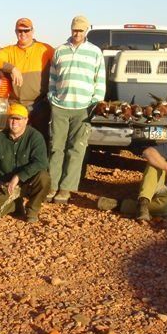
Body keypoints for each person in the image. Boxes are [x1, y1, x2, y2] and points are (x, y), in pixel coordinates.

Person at [46, 15, 106, 203]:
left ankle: (66, 188)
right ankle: (51, 186)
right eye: (74, 30)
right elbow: (53, 77)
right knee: (56, 147)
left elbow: (100, 79)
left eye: (80, 30)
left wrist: (96, 100)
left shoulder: (95, 52)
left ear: (86, 31)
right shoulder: (60, 51)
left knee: (76, 149)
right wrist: (52, 96)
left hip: (83, 108)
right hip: (60, 106)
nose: (77, 33)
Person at [0, 103, 51, 229]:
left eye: (18, 119)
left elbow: (41, 162)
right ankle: (14, 205)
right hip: (6, 183)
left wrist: (18, 177)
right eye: (12, 118)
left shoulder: (35, 137)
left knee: (44, 178)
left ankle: (32, 210)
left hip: (29, 181)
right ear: (7, 120)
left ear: (26, 120)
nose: (14, 122)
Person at [0, 17, 54, 140]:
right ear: (16, 32)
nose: (23, 34)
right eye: (20, 31)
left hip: (39, 104)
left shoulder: (45, 49)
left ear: (32, 31)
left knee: (40, 139)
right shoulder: (9, 51)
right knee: (15, 138)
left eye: (26, 30)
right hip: (17, 104)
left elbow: (61, 62)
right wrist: (12, 68)